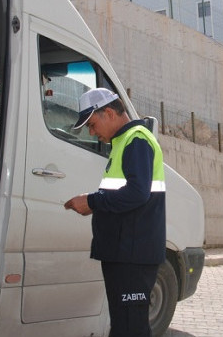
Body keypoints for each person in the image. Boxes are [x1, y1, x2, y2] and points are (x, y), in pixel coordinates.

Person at [64, 88, 166, 337]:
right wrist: (93, 202)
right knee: (124, 325)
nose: (92, 132)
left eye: (92, 124)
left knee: (130, 328)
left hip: (132, 255)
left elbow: (137, 193)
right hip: (125, 252)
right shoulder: (125, 142)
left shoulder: (136, 140)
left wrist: (92, 201)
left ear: (109, 113)